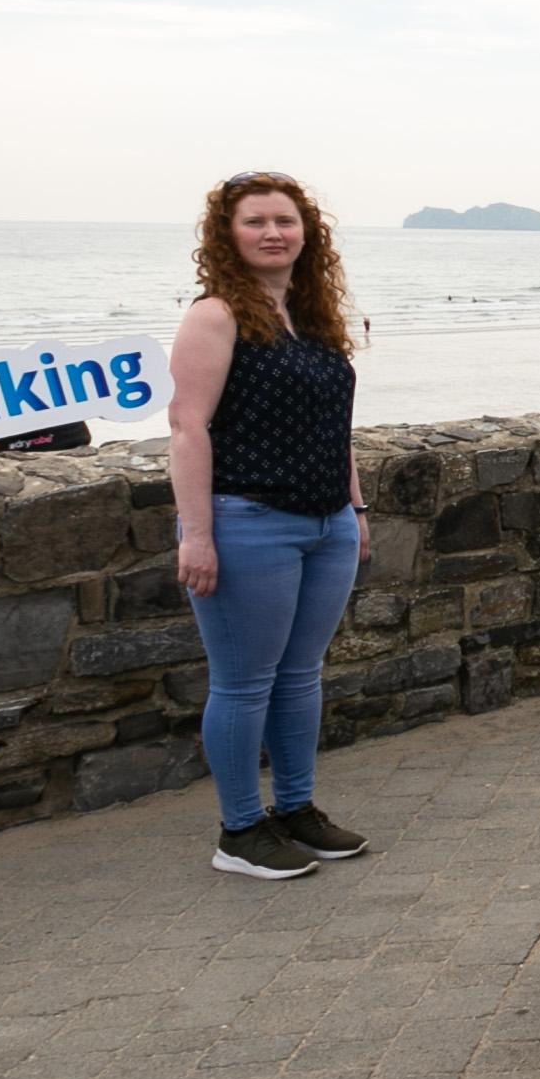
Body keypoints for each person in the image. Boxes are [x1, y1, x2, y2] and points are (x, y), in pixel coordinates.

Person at [167, 171, 372, 882]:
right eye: (255, 221)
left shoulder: (312, 320)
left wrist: (355, 506)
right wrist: (197, 534)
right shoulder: (216, 315)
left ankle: (294, 808)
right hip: (246, 520)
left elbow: (333, 426)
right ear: (227, 235)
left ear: (306, 232)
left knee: (299, 676)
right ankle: (239, 829)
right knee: (244, 682)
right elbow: (187, 426)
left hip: (326, 524)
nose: (272, 232)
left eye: (285, 220)